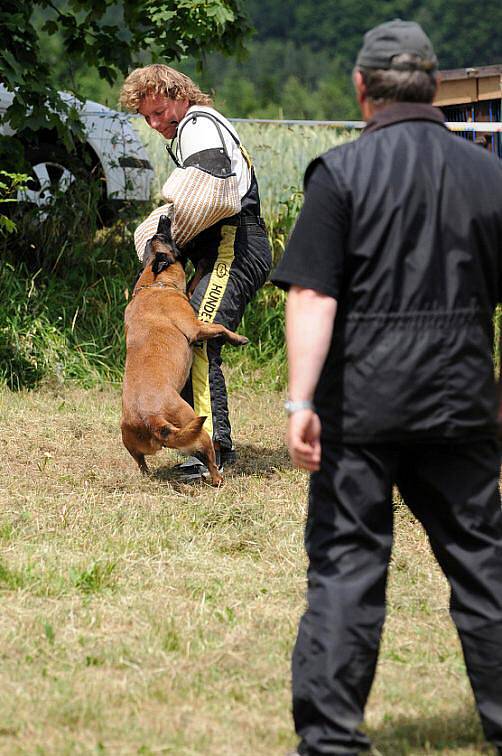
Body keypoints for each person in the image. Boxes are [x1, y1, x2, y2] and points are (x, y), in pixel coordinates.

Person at [271, 19, 502, 756]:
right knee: (484, 564)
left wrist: (301, 401)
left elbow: (312, 295)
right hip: (461, 403)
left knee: (348, 568)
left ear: (362, 89)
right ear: (435, 87)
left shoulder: (339, 173)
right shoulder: (490, 177)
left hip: (359, 410)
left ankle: (333, 740)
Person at [120, 65, 272, 482]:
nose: (156, 124)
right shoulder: (194, 126)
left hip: (233, 246)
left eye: (160, 111)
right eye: (147, 118)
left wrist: (164, 229)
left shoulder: (197, 124)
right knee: (185, 335)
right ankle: (197, 442)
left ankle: (212, 452)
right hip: (222, 246)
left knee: (196, 339)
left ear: (180, 96)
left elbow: (212, 183)